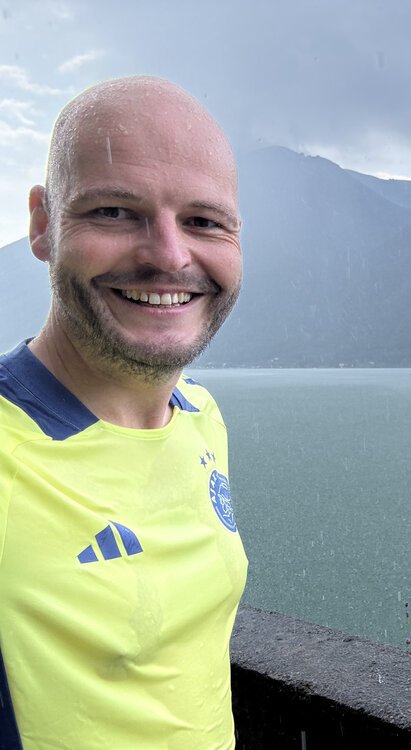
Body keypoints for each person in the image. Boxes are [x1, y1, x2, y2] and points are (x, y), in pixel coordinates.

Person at [0, 76, 247, 749]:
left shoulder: (200, 416)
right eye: (114, 211)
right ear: (43, 223)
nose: (168, 255)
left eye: (203, 221)